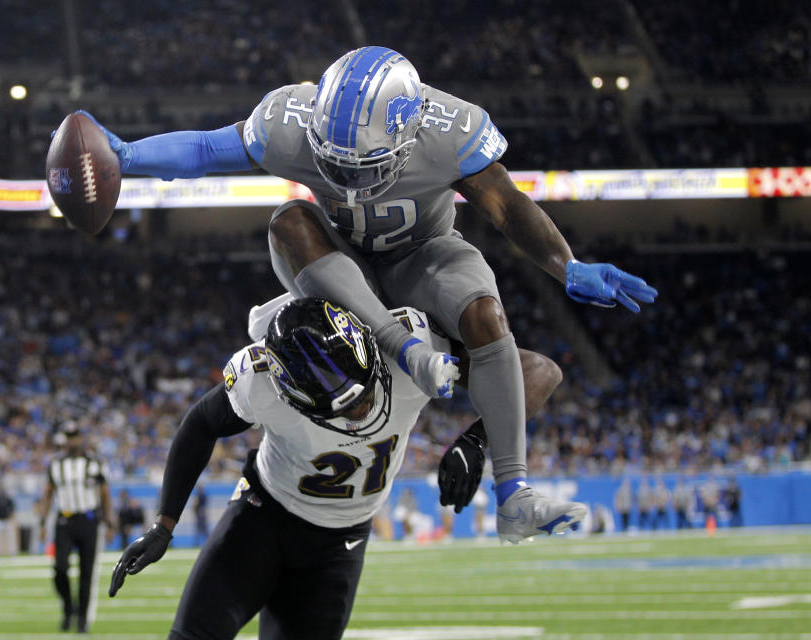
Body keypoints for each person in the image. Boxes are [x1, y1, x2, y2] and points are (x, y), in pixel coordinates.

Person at [78, 45, 657, 542]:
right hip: (333, 262)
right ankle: (402, 347)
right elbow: (205, 150)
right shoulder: (289, 118)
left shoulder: (451, 129)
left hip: (420, 257)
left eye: (365, 167)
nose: (350, 183)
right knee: (288, 218)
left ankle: (514, 493)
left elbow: (506, 207)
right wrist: (129, 156)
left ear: (410, 133)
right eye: (337, 167)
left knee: (486, 314)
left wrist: (568, 265)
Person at [107, 297, 585, 640]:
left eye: (364, 393)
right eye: (342, 409)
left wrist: (478, 439)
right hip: (262, 518)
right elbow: (199, 424)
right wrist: (163, 524)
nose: (362, 411)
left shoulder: (409, 347)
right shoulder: (262, 380)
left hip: (339, 543)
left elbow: (540, 370)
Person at [37, 421, 115, 633]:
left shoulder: (95, 463)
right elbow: (48, 492)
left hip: (89, 520)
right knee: (60, 567)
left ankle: (81, 619)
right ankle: (68, 607)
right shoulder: (55, 464)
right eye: (69, 436)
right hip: (64, 520)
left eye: (75, 436)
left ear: (81, 438)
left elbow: (105, 493)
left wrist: (110, 522)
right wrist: (43, 521)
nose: (72, 440)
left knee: (86, 573)